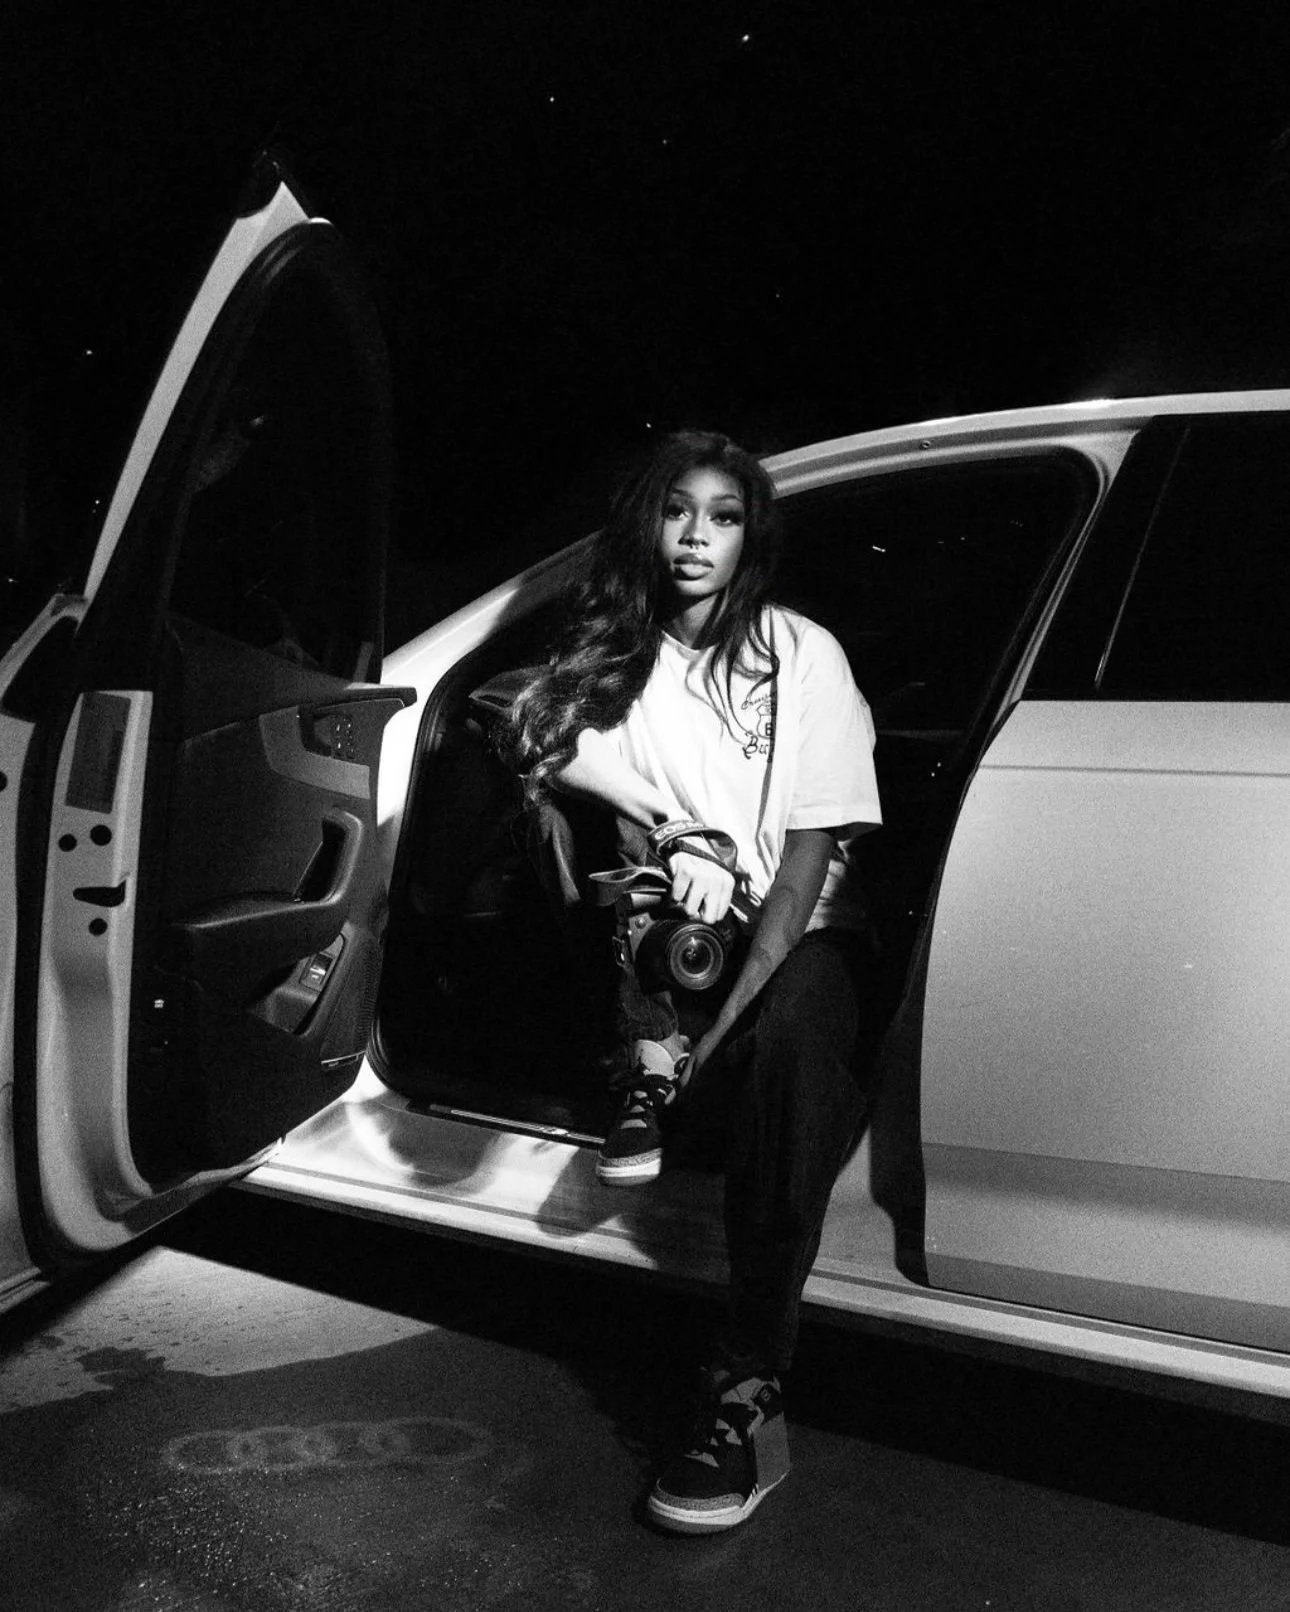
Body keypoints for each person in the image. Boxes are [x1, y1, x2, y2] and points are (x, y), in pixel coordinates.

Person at [505, 429, 882, 1533]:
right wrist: (666, 829)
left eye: (723, 515)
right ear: (648, 524)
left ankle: (745, 1389)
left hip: (801, 927)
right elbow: (508, 715)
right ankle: (645, 1067)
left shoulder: (801, 653)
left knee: (786, 1050)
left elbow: (811, 854)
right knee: (630, 874)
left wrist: (734, 1014)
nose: (697, 535)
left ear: (750, 534)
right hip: (674, 925)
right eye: (678, 510)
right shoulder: (616, 661)